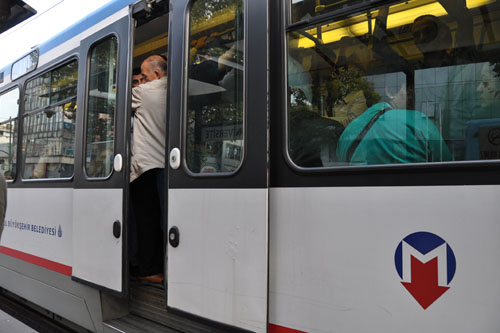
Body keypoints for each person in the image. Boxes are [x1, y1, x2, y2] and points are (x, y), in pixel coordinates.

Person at [130, 55, 167, 283]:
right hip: (166, 166)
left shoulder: (145, 92)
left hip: (145, 167)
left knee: (146, 222)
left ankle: (149, 270)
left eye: (144, 77)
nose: (141, 82)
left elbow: (115, 101)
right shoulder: (179, 89)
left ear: (157, 75)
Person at [336, 101, 452, 164]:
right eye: (407, 88)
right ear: (389, 90)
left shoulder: (347, 132)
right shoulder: (418, 121)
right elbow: (446, 165)